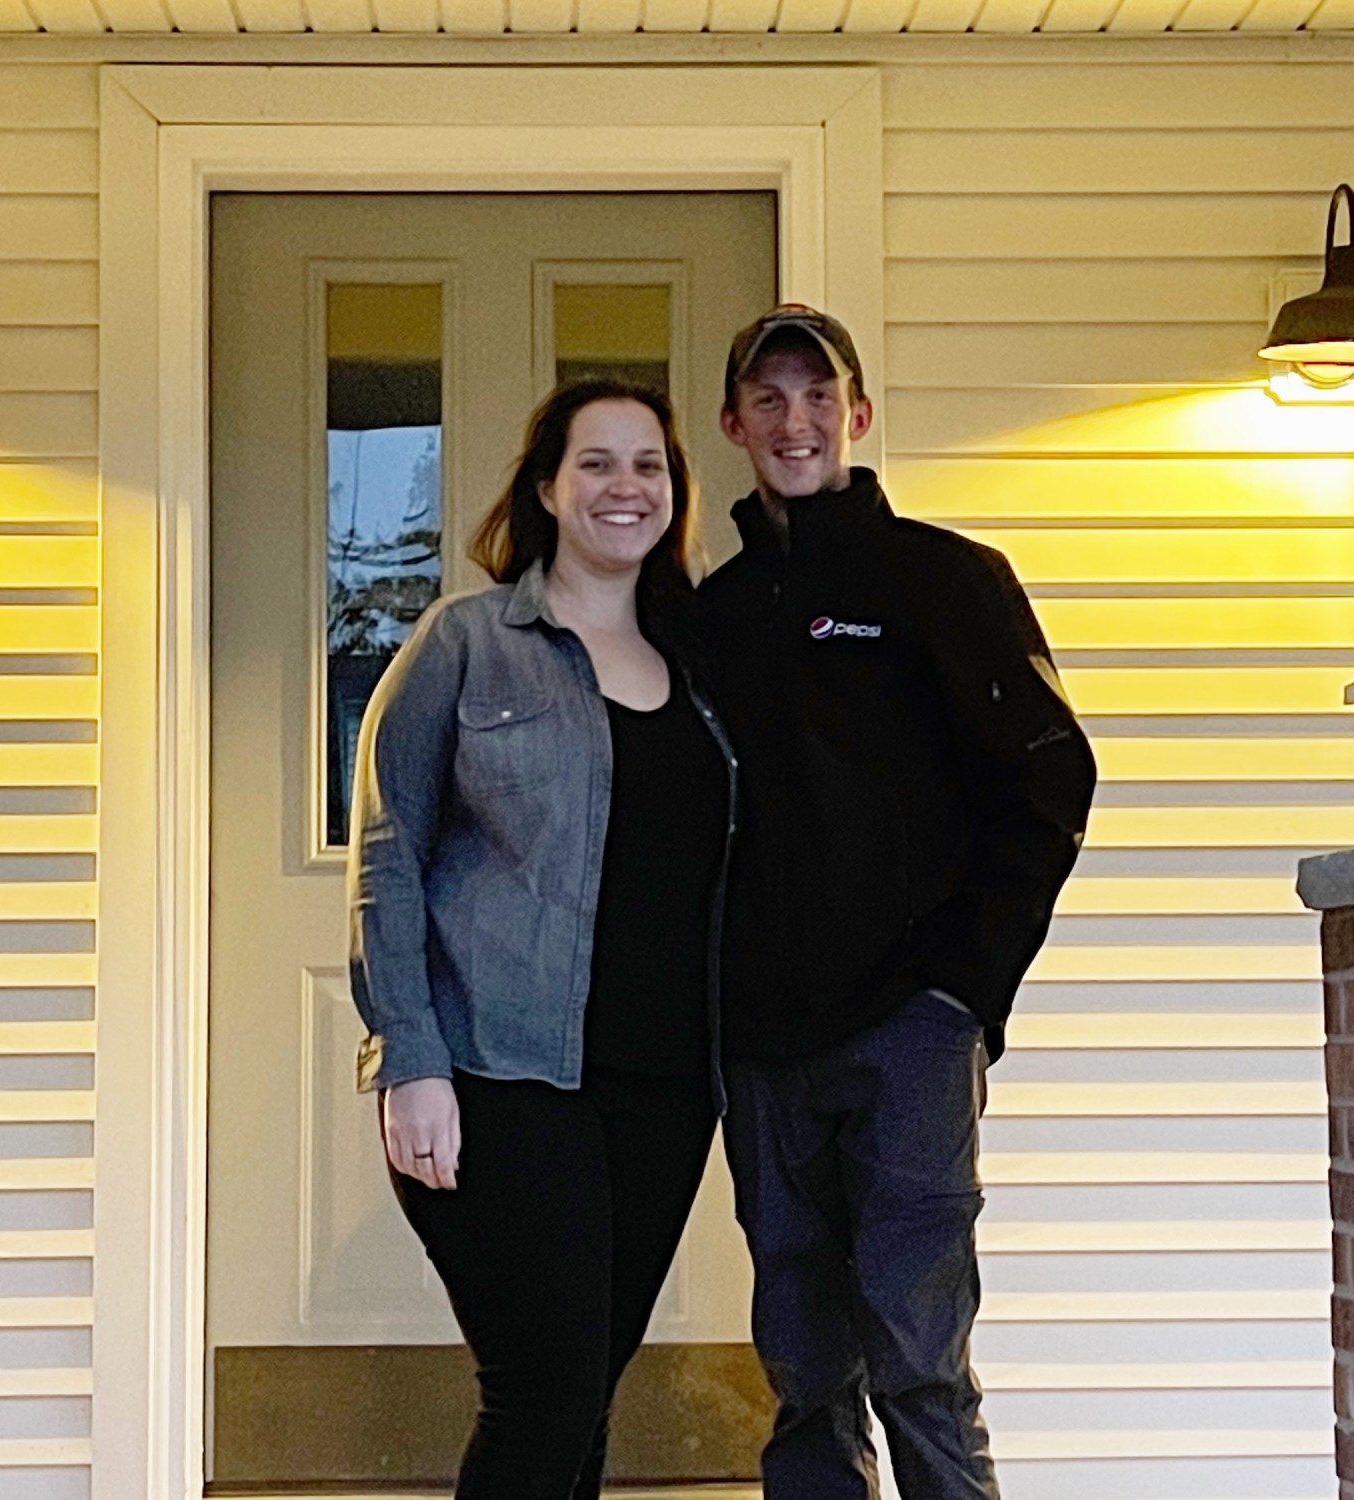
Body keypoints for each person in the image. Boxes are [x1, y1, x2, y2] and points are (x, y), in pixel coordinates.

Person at [700, 306, 1098, 1499]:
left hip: (909, 1035)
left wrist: (966, 989)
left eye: (816, 395)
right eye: (766, 399)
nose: (793, 421)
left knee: (920, 1367)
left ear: (858, 416)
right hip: (762, 1050)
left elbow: (1048, 775)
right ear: (731, 426)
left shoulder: (942, 579)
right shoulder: (705, 620)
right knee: (804, 1376)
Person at [347, 379, 737, 1499]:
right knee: (544, 1396)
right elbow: (387, 851)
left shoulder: (701, 666)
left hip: (662, 1087)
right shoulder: (466, 644)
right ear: (546, 489)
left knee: (583, 1397)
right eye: (597, 463)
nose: (627, 486)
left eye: (649, 465)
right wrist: (407, 1057)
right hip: (497, 1069)